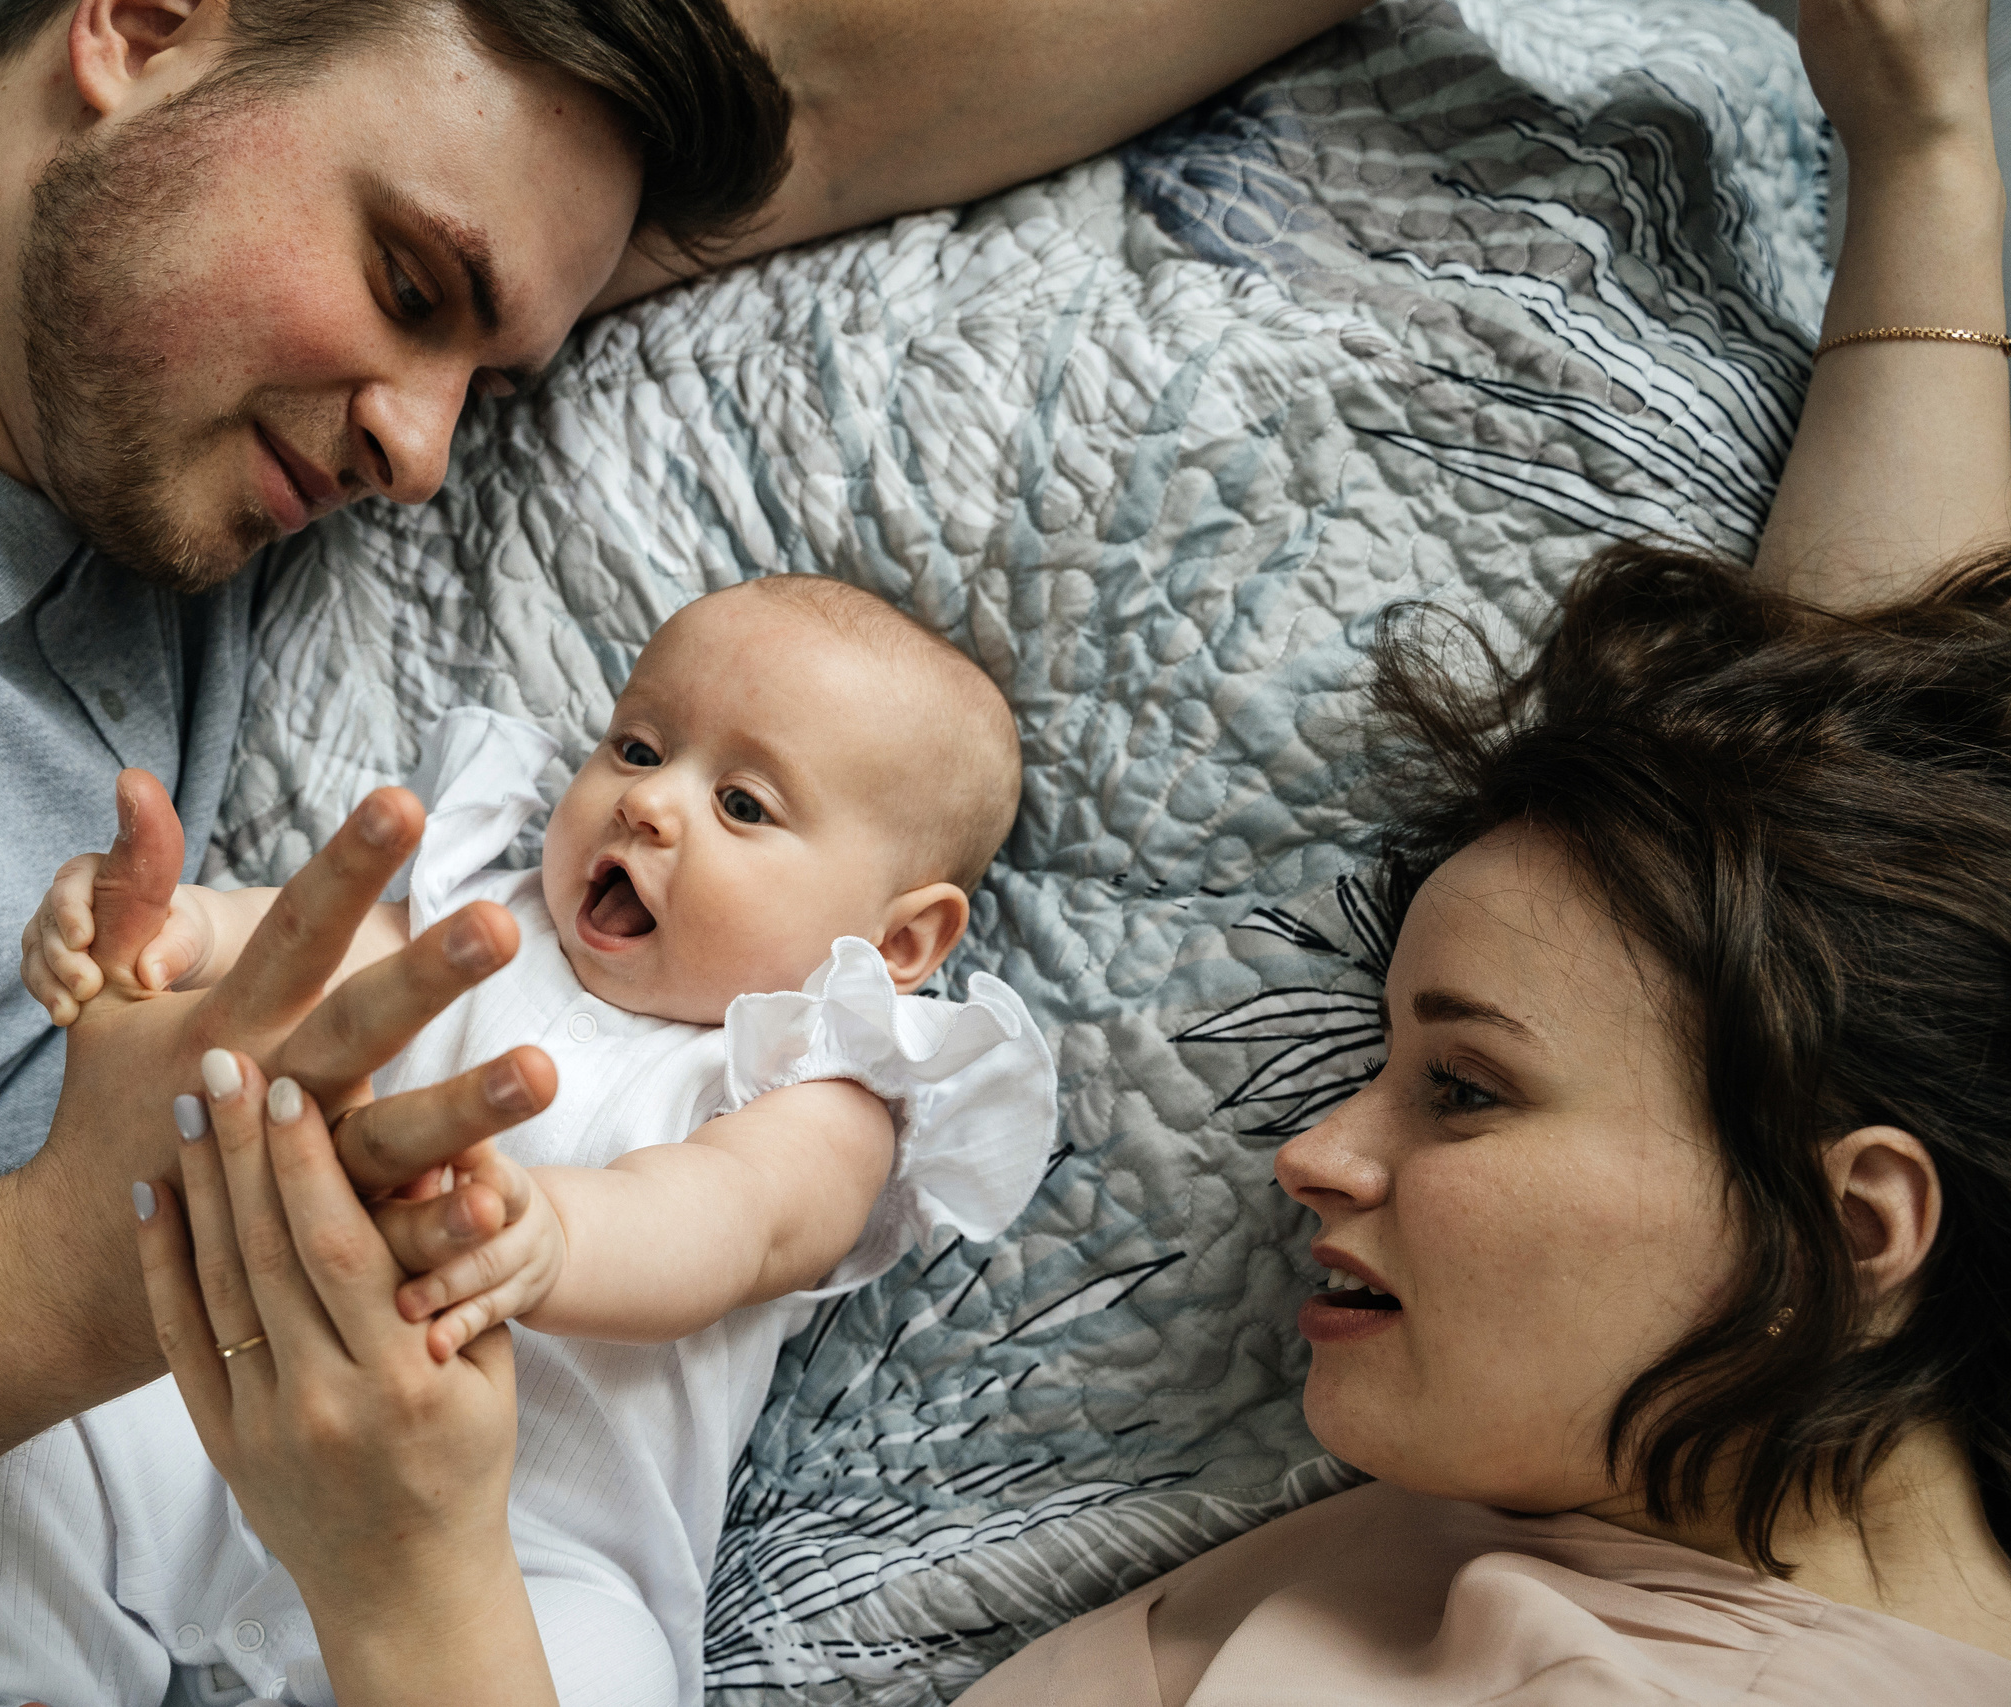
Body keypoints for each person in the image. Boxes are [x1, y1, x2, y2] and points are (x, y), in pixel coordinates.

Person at [0, 0, 1375, 1700]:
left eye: (495, 372)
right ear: (140, 17)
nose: (429, 458)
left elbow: (835, 89)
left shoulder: (175, 256)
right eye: (413, 287)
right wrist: (53, 1283)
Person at [116, 0, 2011, 1699]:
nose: (1313, 1147)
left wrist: (412, 1575)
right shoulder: (1658, 1500)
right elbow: (1867, 816)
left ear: (1850, 1234)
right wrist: (1919, 133)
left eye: (1468, 1089)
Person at [0, 576, 1057, 1706]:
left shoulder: (818, 1088)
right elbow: (302, 953)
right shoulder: (481, 920)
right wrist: (178, 929)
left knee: (610, 1673)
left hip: (523, 1558)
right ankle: (8, 1680)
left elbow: (727, 1220)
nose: (647, 802)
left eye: (742, 805)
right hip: (231, 1423)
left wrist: (551, 1237)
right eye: (639, 748)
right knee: (41, 1425)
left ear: (900, 945)